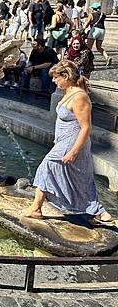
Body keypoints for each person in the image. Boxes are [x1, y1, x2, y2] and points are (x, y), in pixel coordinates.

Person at [24, 61, 113, 224]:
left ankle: (36, 208)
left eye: (56, 77)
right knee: (78, 177)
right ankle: (96, 211)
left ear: (65, 76)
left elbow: (86, 127)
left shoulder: (80, 96)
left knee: (47, 166)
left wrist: (73, 151)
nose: (53, 81)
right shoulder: (69, 91)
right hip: (63, 141)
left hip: (73, 142)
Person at [84, 2, 112, 67]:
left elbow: (87, 23)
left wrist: (83, 29)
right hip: (102, 30)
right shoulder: (103, 14)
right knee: (99, 47)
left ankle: (87, 61)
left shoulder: (92, 14)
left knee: (89, 47)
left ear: (93, 8)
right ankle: (107, 57)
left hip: (95, 30)